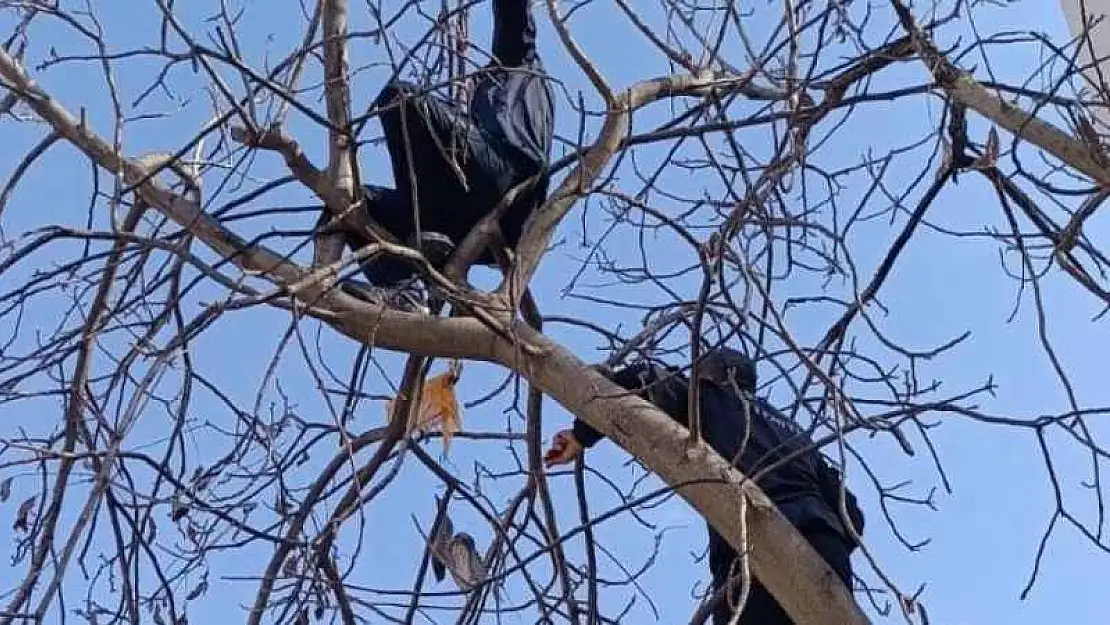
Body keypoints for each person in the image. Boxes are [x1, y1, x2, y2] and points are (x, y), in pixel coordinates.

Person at [544, 348, 865, 625]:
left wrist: (580, 436)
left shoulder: (711, 397)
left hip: (752, 545)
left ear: (717, 375)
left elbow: (642, 379)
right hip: (824, 544)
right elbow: (850, 512)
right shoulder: (797, 434)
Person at [342, 0, 555, 312]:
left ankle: (428, 233)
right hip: (463, 216)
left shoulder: (518, 65)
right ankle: (403, 291)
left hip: (510, 182)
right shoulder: (481, 106)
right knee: (354, 200)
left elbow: (514, 18)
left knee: (401, 99)